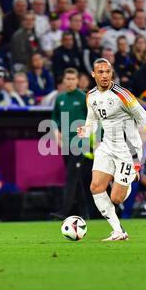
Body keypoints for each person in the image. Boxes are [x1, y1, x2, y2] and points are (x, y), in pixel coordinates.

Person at [77, 58, 146, 241]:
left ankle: (132, 175)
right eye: (101, 72)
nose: (104, 75)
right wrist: (86, 129)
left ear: (112, 73)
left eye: (108, 71)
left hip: (128, 150)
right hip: (106, 146)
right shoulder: (91, 96)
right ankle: (118, 231)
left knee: (116, 198)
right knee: (96, 187)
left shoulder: (123, 95)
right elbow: (93, 122)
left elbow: (144, 117)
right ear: (93, 74)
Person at [50, 68, 94, 220]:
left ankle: (64, 211)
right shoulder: (60, 99)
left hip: (80, 143)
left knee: (70, 176)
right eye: (67, 79)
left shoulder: (83, 98)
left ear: (77, 81)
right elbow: (54, 118)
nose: (69, 82)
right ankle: (85, 211)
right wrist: (56, 133)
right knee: (77, 177)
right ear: (63, 81)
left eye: (72, 79)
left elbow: (93, 119)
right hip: (66, 144)